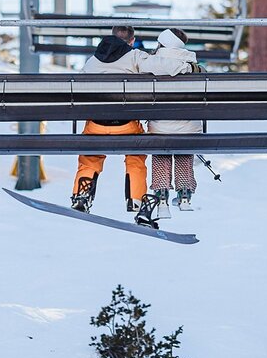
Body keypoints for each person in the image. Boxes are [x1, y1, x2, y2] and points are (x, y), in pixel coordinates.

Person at [71, 30, 159, 227]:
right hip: (126, 125)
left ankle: (81, 195)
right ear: (132, 41)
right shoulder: (136, 56)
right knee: (136, 158)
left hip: (96, 125)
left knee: (90, 158)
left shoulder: (92, 61)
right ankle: (136, 200)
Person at [140, 28, 202, 212]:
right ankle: (184, 195)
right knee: (184, 152)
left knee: (161, 153)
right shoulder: (192, 63)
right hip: (189, 128)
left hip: (159, 127)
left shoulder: (150, 62)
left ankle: (161, 197)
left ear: (162, 43)